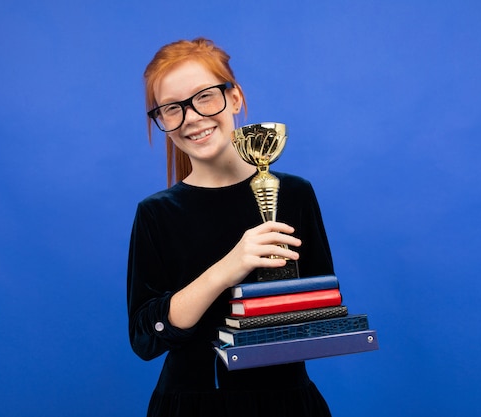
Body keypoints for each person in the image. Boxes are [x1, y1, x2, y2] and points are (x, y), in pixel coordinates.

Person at [127, 37, 335, 417]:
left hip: (286, 402)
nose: (191, 117)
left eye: (205, 96)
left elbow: (319, 319)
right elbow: (145, 338)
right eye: (172, 108)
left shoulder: (294, 194)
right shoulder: (156, 214)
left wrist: (287, 298)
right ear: (162, 121)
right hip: (192, 405)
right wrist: (228, 267)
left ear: (235, 98)